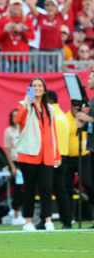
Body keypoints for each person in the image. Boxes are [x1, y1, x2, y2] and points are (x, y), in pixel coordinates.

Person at [15, 77, 61, 231]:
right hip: (29, 154)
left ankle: (47, 220)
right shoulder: (24, 105)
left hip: (47, 155)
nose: (37, 88)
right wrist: (26, 104)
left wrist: (57, 154)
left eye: (40, 85)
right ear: (30, 89)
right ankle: (28, 221)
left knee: (46, 189)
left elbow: (53, 133)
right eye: (34, 86)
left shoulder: (51, 109)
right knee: (29, 189)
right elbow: (18, 121)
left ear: (44, 89)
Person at [34, 90, 71, 229]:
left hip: (51, 156)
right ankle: (67, 220)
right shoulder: (63, 115)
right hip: (64, 155)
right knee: (60, 189)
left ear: (48, 99)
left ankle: (45, 220)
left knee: (46, 189)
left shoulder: (49, 114)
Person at [26, 0, 72, 72]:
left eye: (52, 5)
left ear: (56, 8)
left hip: (56, 50)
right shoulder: (40, 16)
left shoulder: (59, 16)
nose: (50, 7)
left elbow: (69, 2)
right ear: (44, 7)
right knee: (43, 73)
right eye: (47, 5)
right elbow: (29, 3)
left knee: (59, 74)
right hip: (43, 51)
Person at [73, 70, 94, 229]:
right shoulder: (92, 100)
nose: (88, 80)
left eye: (91, 77)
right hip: (91, 148)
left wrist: (87, 119)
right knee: (87, 182)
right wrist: (85, 125)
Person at [0, 0, 35, 72]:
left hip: (22, 58)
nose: (16, 7)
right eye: (14, 5)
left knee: (23, 81)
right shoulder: (3, 19)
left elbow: (32, 37)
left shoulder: (27, 19)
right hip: (7, 57)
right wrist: (4, 31)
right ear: (10, 6)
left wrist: (22, 31)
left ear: (22, 7)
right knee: (5, 80)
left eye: (18, 5)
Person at [3, 109, 25, 226]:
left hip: (25, 161)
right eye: (13, 116)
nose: (15, 118)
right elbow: (7, 150)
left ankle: (21, 212)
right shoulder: (9, 131)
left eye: (17, 115)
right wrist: (12, 167)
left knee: (26, 189)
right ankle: (16, 213)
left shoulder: (25, 129)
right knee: (17, 189)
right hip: (15, 162)